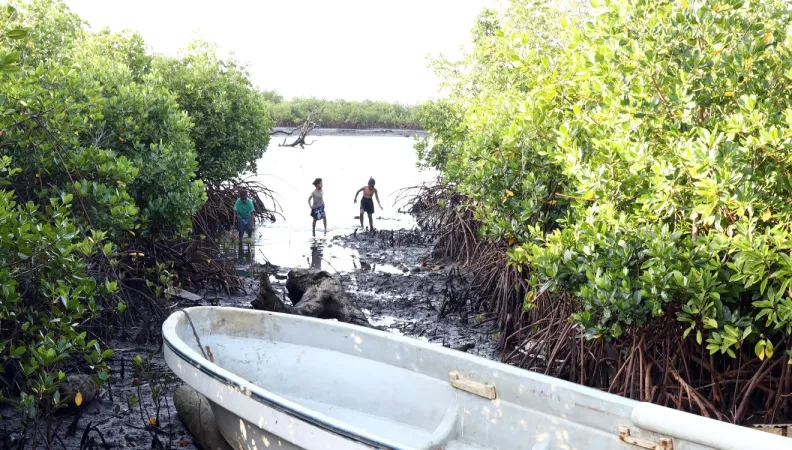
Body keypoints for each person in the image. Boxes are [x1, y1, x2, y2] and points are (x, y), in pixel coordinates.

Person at [233, 190, 255, 258]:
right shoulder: (238, 201)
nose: (244, 200)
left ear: (247, 197)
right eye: (242, 199)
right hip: (240, 217)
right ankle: (240, 244)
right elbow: (235, 213)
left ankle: (249, 242)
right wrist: (233, 224)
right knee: (241, 232)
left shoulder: (250, 202)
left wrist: (253, 225)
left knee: (250, 231)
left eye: (245, 199)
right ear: (240, 198)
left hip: (248, 217)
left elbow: (252, 214)